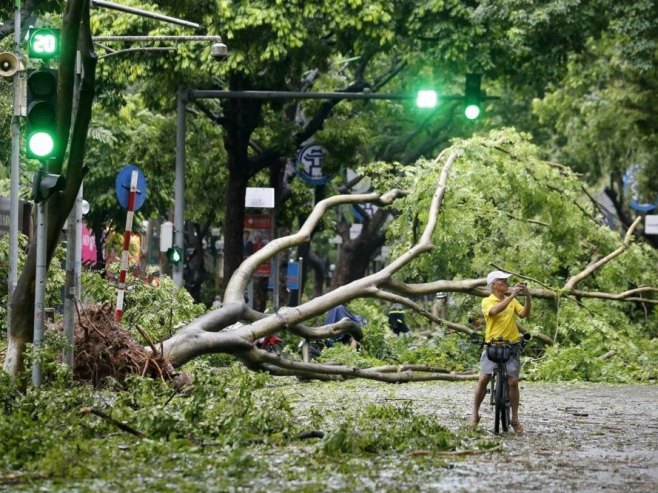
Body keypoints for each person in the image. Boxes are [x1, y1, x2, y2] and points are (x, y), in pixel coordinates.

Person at [469, 270, 531, 433]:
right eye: (501, 280)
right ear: (493, 285)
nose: (505, 282)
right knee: (483, 379)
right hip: (492, 345)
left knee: (513, 382)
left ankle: (515, 419)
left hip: (511, 346)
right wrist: (512, 296)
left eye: (506, 280)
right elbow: (493, 312)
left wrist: (527, 297)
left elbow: (524, 314)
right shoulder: (487, 301)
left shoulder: (512, 301)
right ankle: (475, 414)